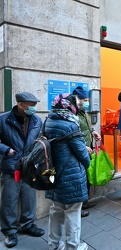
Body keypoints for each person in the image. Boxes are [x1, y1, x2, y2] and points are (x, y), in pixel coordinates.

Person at [44, 93, 91, 250]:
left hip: (53, 174)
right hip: (71, 175)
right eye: (76, 103)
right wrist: (87, 154)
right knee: (72, 212)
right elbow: (82, 155)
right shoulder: (70, 124)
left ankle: (54, 245)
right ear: (68, 105)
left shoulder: (48, 121)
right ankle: (73, 246)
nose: (77, 106)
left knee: (56, 211)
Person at [0, 92, 45, 248]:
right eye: (31, 106)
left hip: (29, 165)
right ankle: (9, 230)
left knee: (29, 196)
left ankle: (28, 224)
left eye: (34, 105)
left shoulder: (37, 121)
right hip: (11, 165)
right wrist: (6, 150)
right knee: (9, 198)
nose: (34, 108)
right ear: (20, 104)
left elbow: (41, 138)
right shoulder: (4, 119)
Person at [72, 86, 102, 217]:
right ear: (77, 100)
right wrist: (83, 145)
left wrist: (93, 132)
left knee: (86, 177)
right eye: (84, 100)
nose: (86, 102)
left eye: (87, 100)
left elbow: (86, 128)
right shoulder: (72, 114)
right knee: (80, 178)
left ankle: (85, 201)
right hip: (79, 149)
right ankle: (78, 207)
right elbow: (73, 133)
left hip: (87, 148)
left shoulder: (83, 112)